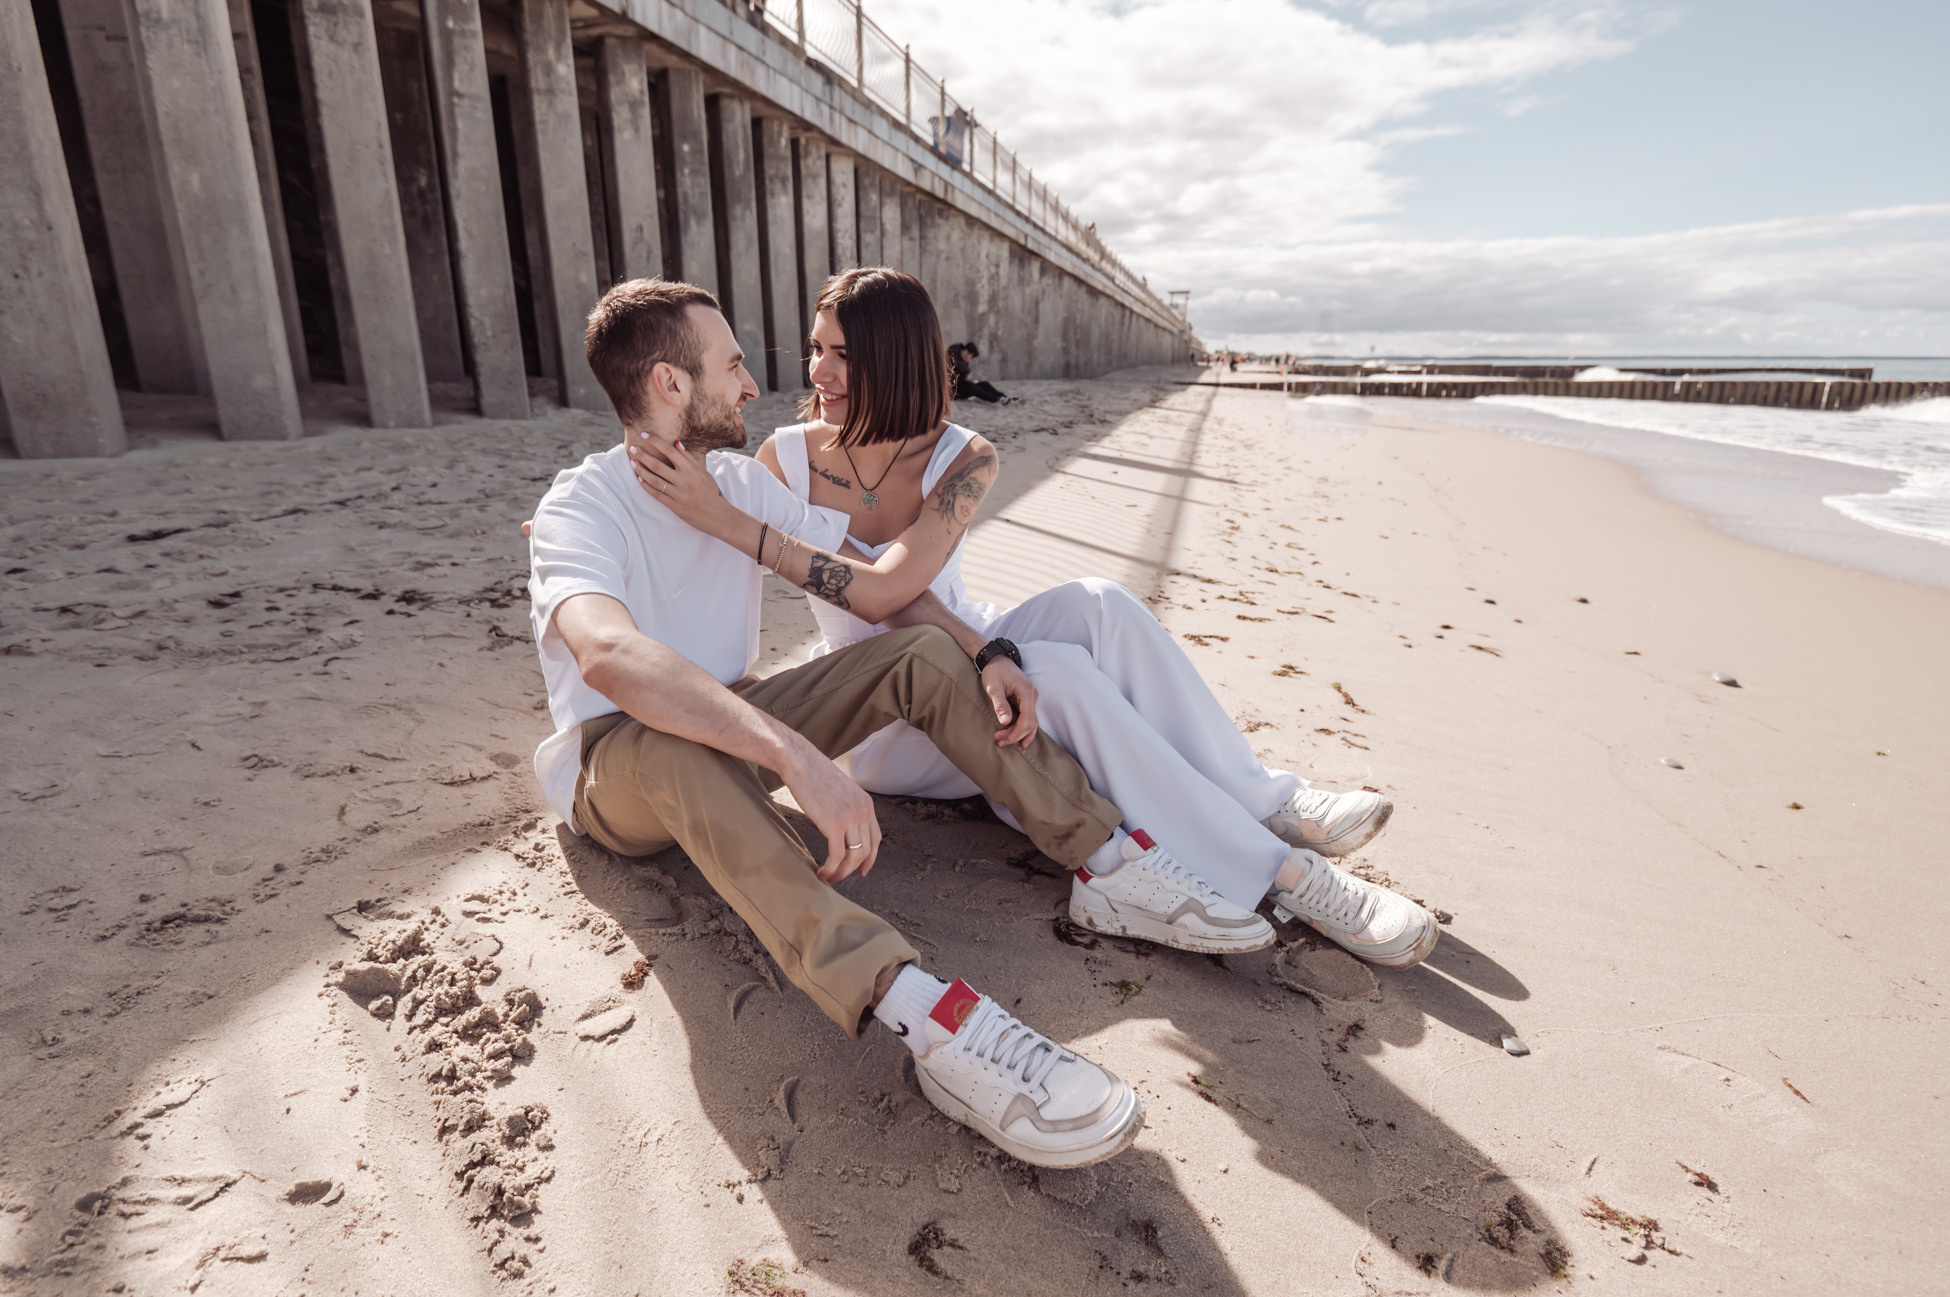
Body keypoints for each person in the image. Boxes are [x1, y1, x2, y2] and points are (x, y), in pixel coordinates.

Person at [533, 277, 1306, 1171]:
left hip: (738, 719)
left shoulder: (740, 484)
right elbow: (610, 660)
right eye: (734, 365)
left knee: (921, 658)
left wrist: (984, 653)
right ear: (671, 383)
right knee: (670, 743)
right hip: (618, 772)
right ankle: (924, 1012)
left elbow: (877, 587)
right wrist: (797, 757)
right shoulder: (580, 505)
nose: (753, 386)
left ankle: (1109, 860)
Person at [626, 267, 1439, 973]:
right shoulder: (788, 459)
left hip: (954, 640)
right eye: (817, 348)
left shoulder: (963, 456)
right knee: (1066, 678)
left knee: (1100, 603)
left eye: (843, 353)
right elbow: (851, 590)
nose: (819, 370)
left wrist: (990, 650)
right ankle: (1278, 875)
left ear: (897, 358)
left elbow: (901, 587)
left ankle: (1260, 799)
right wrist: (608, 527)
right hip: (891, 716)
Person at [947, 341, 1014, 404]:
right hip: (951, 390)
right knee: (971, 386)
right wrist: (968, 371)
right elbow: (956, 364)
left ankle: (1004, 397)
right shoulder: (952, 353)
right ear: (965, 351)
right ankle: (996, 400)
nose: (971, 360)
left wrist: (966, 373)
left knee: (984, 384)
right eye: (971, 357)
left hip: (960, 386)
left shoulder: (963, 361)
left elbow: (963, 376)